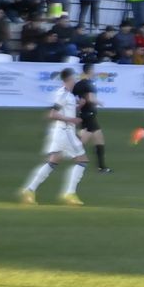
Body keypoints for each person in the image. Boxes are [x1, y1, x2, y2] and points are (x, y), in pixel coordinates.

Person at [19, 67, 89, 206]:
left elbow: (63, 111)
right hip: (65, 131)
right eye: (73, 78)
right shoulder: (63, 94)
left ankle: (29, 190)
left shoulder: (66, 94)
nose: (75, 80)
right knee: (82, 161)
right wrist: (72, 120)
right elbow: (52, 114)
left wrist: (78, 107)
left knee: (53, 161)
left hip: (60, 131)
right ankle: (69, 194)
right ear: (68, 79)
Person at [72, 61, 111, 173]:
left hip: (85, 114)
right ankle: (68, 151)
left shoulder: (78, 84)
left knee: (99, 139)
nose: (94, 72)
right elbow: (90, 99)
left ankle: (101, 167)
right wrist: (100, 102)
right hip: (89, 114)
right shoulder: (89, 84)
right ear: (89, 71)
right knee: (83, 140)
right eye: (93, 70)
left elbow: (77, 98)